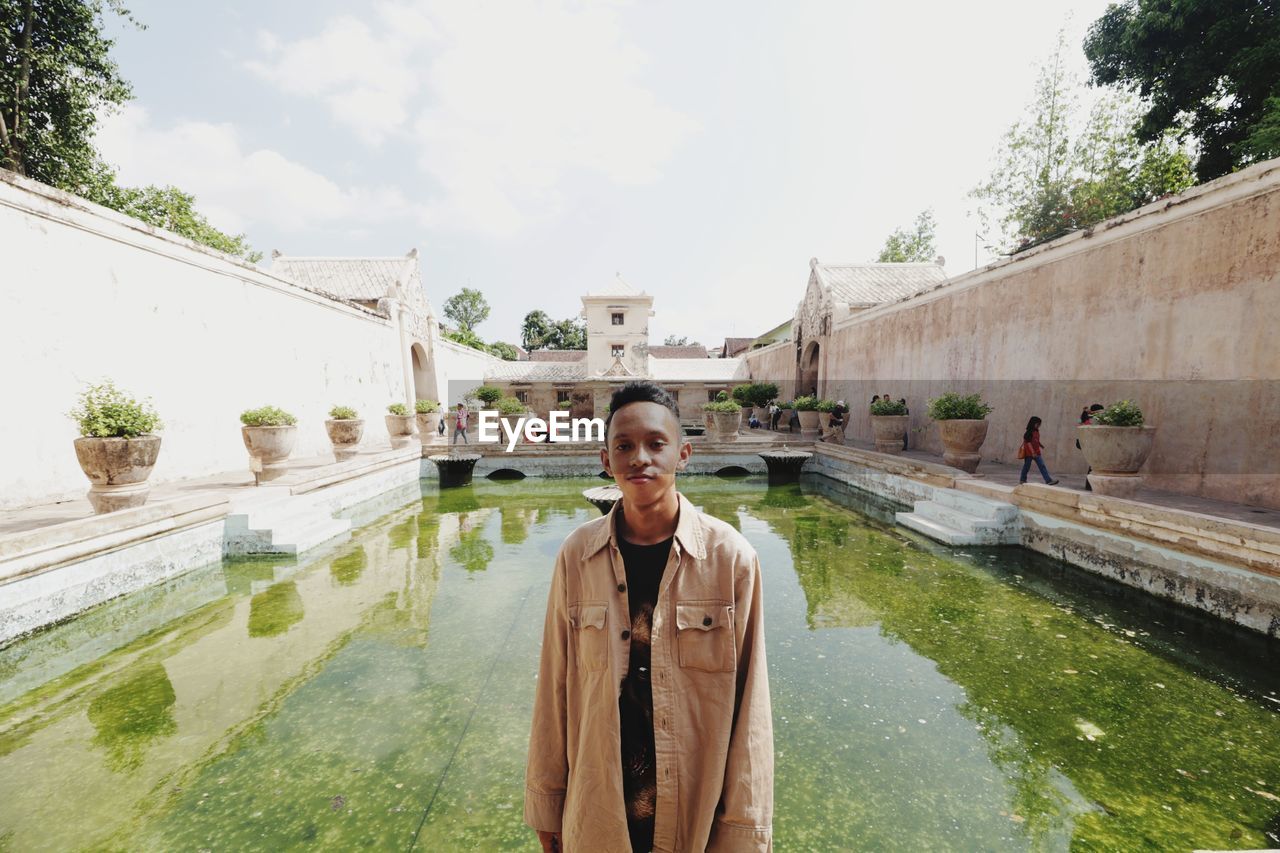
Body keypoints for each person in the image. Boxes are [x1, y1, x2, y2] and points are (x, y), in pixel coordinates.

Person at [525, 381, 774, 853]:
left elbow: (751, 708)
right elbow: (554, 684)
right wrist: (547, 801)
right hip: (600, 809)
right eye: (624, 446)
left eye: (656, 444)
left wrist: (744, 831)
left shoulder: (730, 560)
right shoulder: (578, 555)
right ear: (606, 460)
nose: (640, 457)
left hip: (692, 814)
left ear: (684, 454)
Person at [1019, 416, 1060, 485]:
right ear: (1033, 423)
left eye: (1039, 424)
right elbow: (1028, 443)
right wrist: (1033, 452)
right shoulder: (1028, 432)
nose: (1039, 426)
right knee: (1026, 467)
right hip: (1029, 453)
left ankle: (1048, 480)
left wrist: (1040, 445)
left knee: (1042, 465)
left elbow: (1036, 440)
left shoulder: (1036, 431)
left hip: (1037, 452)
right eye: (1038, 424)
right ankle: (1022, 480)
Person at [1078, 403, 1104, 491]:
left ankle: (1089, 485)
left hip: (1088, 444)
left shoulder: (1086, 418)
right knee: (1094, 465)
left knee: (1093, 465)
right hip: (1090, 444)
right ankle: (1090, 485)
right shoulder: (1092, 420)